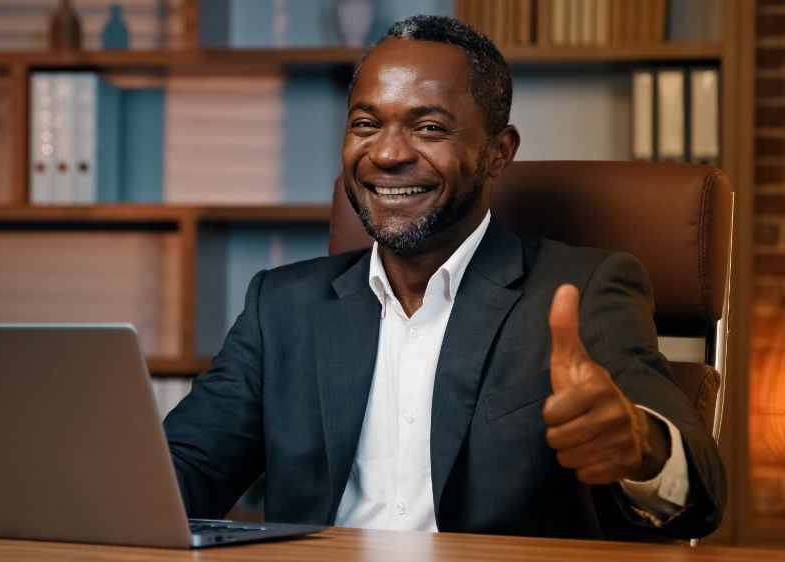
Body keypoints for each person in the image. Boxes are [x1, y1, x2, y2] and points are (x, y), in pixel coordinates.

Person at [163, 15, 726, 541]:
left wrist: (642, 448)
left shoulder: (581, 291)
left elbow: (700, 492)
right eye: (366, 124)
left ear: (498, 153)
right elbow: (178, 474)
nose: (386, 153)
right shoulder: (282, 306)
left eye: (428, 127)